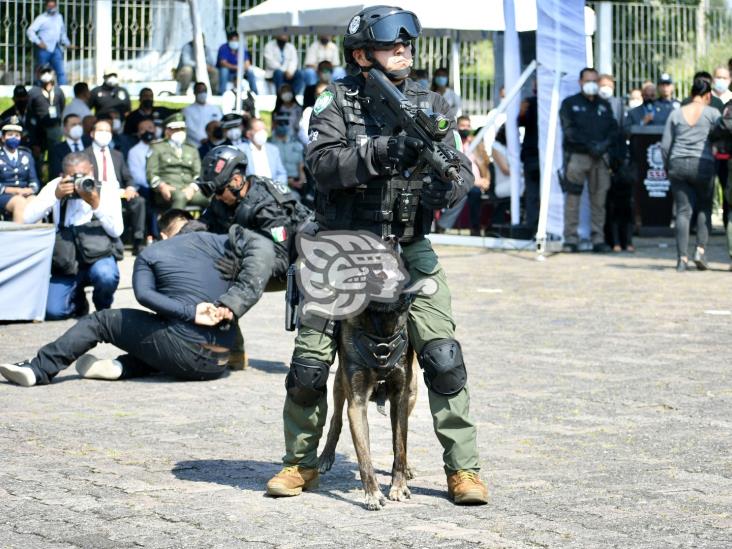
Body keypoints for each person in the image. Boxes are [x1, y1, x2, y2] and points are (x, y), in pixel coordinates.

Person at [264, 5, 488, 506]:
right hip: (344, 250)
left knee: (443, 357)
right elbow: (320, 166)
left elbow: (461, 173)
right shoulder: (336, 102)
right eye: (391, 45)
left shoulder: (430, 105)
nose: (404, 51)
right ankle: (300, 463)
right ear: (363, 55)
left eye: (407, 44)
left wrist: (443, 189)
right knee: (310, 365)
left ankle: (463, 470)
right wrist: (379, 153)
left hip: (409, 248)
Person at [0, 210, 275, 388]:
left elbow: (144, 296)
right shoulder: (223, 245)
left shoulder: (153, 252)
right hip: (219, 362)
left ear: (161, 234)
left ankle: (39, 368)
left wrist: (191, 312)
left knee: (102, 320)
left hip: (184, 354)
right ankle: (121, 366)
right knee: (161, 329)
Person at [23, 152, 123, 320]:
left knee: (106, 275)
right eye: (73, 176)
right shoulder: (55, 186)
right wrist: (55, 196)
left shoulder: (106, 188)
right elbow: (27, 218)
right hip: (66, 261)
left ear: (91, 171)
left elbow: (117, 231)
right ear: (62, 175)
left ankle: (103, 308)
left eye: (83, 176)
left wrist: (96, 204)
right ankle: (77, 303)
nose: (79, 181)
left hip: (98, 256)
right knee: (54, 312)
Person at [200, 146, 307, 283]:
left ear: (237, 180)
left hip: (300, 262)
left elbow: (281, 261)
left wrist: (239, 267)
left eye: (219, 191)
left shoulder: (269, 209)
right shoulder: (224, 197)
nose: (217, 197)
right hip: (252, 253)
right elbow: (205, 223)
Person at [661, 78, 720, 272]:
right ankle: (700, 251)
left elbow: (665, 146)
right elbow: (720, 138)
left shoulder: (676, 113)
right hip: (703, 165)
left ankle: (681, 259)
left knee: (683, 211)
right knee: (704, 208)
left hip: (677, 164)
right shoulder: (712, 113)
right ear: (708, 95)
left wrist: (667, 166)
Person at [559, 67, 619, 253]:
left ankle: (598, 238)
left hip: (600, 158)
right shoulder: (570, 103)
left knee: (599, 200)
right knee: (573, 199)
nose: (591, 84)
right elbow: (569, 131)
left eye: (595, 80)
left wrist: (603, 145)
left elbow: (613, 128)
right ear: (580, 82)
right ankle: (571, 238)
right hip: (578, 156)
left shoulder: (604, 104)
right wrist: (589, 145)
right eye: (588, 80)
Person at [84, 119, 146, 255]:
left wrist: (130, 188)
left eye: (108, 131)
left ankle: (138, 241)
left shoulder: (117, 155)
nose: (104, 134)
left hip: (119, 192)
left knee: (139, 202)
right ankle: (113, 240)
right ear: (92, 133)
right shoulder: (85, 155)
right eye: (101, 131)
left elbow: (128, 177)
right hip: (98, 193)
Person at [147, 113, 208, 210]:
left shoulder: (191, 149)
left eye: (182, 129)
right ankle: (175, 224)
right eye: (176, 129)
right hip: (168, 189)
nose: (180, 132)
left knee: (213, 199)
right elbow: (151, 173)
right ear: (167, 131)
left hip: (190, 189)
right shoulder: (157, 147)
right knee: (180, 197)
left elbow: (199, 174)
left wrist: (192, 188)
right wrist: (162, 186)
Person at [0, 118, 39, 223]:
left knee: (36, 203)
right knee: (19, 202)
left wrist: (30, 190)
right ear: (3, 138)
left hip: (25, 193)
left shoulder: (26, 154)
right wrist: (14, 191)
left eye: (17, 135)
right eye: (10, 134)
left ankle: (37, 238)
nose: (14, 138)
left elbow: (34, 181)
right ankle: (18, 238)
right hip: (3, 195)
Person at [456, 116, 490, 235]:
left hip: (478, 181)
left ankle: (488, 227)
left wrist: (486, 180)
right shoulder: (455, 143)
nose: (466, 128)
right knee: (474, 193)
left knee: (481, 192)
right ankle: (475, 227)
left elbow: (485, 163)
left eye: (468, 126)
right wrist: (476, 182)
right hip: (461, 181)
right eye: (462, 126)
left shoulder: (475, 143)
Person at [127, 117, 157, 240]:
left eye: (150, 128)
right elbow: (136, 176)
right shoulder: (134, 151)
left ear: (155, 129)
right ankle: (153, 235)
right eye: (142, 129)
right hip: (145, 187)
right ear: (138, 133)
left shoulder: (162, 147)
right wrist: (155, 184)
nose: (147, 131)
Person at [26, 0, 70, 85]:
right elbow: (30, 31)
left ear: (56, 6)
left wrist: (68, 43)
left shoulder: (59, 17)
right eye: (50, 6)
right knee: (41, 71)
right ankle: (39, 90)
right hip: (44, 48)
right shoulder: (41, 18)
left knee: (60, 71)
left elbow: (62, 33)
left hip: (56, 47)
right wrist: (38, 42)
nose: (52, 8)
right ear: (46, 7)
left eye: (53, 6)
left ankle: (64, 90)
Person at [27, 65, 65, 154]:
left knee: (56, 153)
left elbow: (62, 106)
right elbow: (29, 110)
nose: (46, 74)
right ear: (39, 75)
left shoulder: (58, 91)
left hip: (55, 128)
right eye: (43, 72)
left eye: (48, 72)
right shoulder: (33, 92)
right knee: (39, 154)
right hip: (39, 129)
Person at [519, 87, 540, 231]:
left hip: (544, 156)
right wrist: (521, 112)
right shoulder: (530, 103)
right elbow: (520, 122)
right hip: (532, 156)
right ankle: (532, 228)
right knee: (532, 195)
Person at [242, 118, 288, 185]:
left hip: (273, 190)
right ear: (248, 134)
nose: (262, 133)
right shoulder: (241, 150)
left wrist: (276, 187)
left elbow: (282, 173)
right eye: (258, 130)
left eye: (264, 129)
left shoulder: (273, 150)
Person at [269, 113, 305, 194]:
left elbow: (301, 167)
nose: (282, 125)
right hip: (275, 184)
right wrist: (287, 181)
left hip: (295, 185)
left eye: (286, 122)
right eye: (280, 122)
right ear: (274, 124)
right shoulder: (269, 144)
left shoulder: (297, 144)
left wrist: (302, 181)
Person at [49, 113, 89, 179]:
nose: (77, 127)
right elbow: (56, 173)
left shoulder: (90, 144)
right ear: (65, 128)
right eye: (73, 125)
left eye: (79, 124)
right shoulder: (57, 150)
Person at [217, 31, 257, 95]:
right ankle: (221, 93)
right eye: (233, 40)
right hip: (228, 74)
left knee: (250, 71)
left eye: (236, 40)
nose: (235, 42)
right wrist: (235, 67)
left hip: (239, 73)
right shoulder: (223, 48)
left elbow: (247, 64)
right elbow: (223, 63)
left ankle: (255, 93)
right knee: (224, 70)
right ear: (229, 40)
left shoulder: (241, 48)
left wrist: (240, 68)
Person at [183, 82, 223, 147]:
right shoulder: (187, 110)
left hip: (213, 144)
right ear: (194, 92)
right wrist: (202, 139)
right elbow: (188, 128)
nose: (202, 93)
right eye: (200, 91)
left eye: (204, 91)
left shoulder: (215, 109)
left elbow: (220, 124)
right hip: (194, 145)